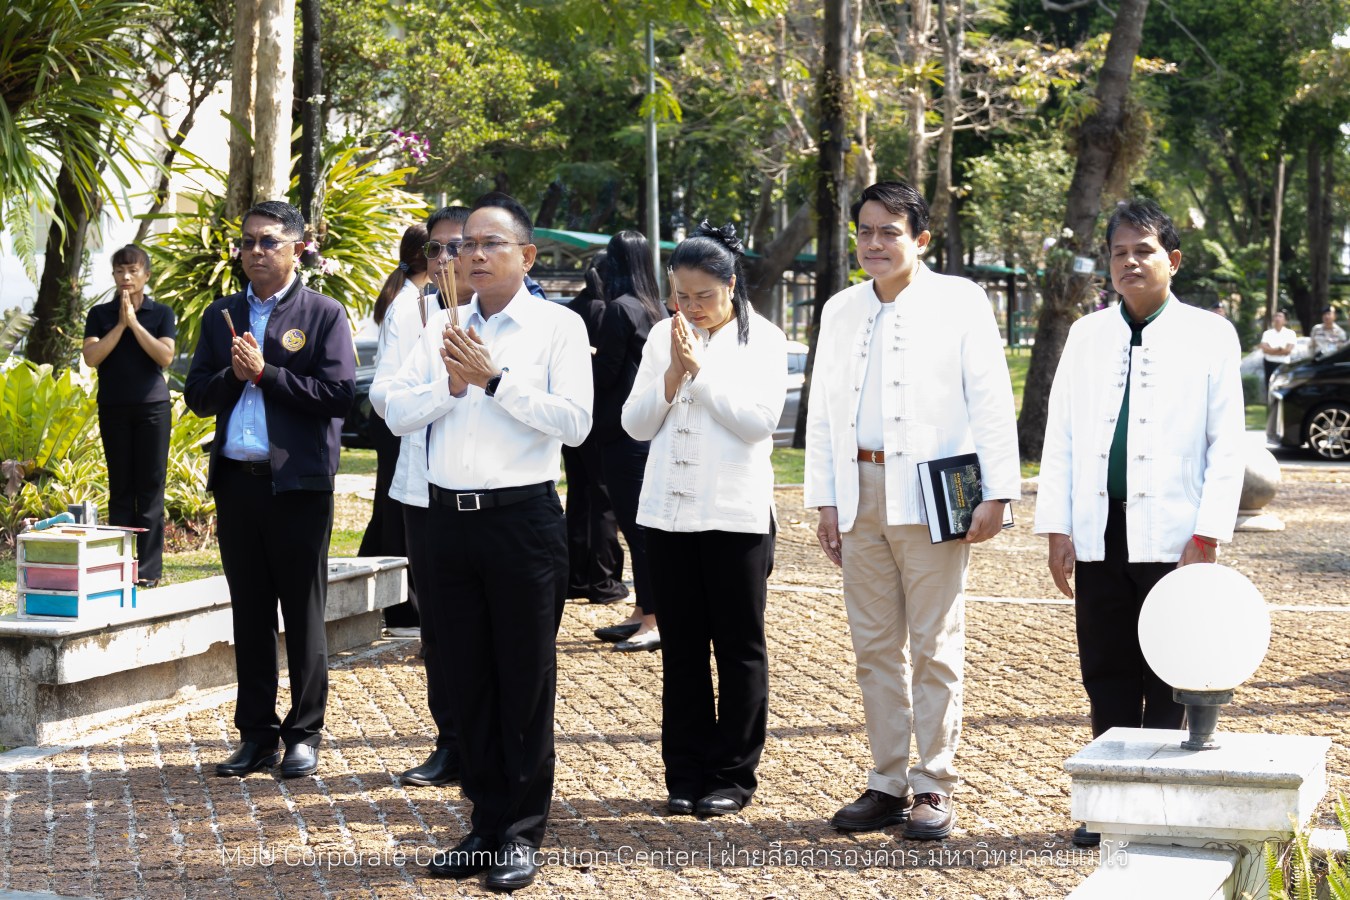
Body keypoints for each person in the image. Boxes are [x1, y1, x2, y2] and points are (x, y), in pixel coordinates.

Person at [384, 192, 591, 891]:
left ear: (526, 256)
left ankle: (521, 833)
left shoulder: (557, 327)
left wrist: (495, 382)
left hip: (521, 522)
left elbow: (576, 422)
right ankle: (483, 822)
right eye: (463, 244)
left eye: (489, 243)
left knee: (523, 679)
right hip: (445, 521)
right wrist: (450, 385)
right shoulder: (441, 325)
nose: (471, 255)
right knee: (464, 676)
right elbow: (393, 408)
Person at [804, 181, 1020, 841]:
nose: (874, 243)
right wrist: (826, 500)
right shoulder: (840, 309)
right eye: (865, 231)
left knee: (934, 644)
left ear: (920, 239)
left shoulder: (960, 300)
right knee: (873, 647)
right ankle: (886, 782)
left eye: (889, 232)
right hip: (859, 490)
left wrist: (998, 492)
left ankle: (934, 784)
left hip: (934, 493)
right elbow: (823, 411)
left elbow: (991, 398)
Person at [1034, 199, 1244, 848]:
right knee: (1106, 668)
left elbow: (1227, 443)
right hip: (1101, 529)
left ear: (1172, 260)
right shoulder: (1087, 335)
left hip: (1177, 534)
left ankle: (1156, 802)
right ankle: (1108, 800)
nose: (1130, 262)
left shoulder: (1210, 335)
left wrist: (1207, 532)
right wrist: (1058, 526)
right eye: (1119, 252)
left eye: (1143, 250)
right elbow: (1062, 436)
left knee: (1167, 670)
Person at [185, 200, 356, 780]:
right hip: (238, 484)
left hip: (298, 488)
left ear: (298, 249)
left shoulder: (323, 313)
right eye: (248, 241)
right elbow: (197, 396)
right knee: (250, 613)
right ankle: (255, 735)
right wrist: (233, 377)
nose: (255, 251)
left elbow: (339, 397)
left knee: (303, 613)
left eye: (269, 241)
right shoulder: (222, 315)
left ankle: (303, 734)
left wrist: (266, 374)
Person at [623, 221, 786, 818]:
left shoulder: (763, 339)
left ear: (732, 285)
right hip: (667, 514)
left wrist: (700, 371)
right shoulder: (661, 336)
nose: (691, 308)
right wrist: (671, 375)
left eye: (704, 296)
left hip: (735, 515)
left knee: (739, 648)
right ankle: (686, 772)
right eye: (681, 295)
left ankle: (732, 776)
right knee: (683, 648)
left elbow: (758, 422)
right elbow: (635, 424)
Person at [367, 209, 471, 788]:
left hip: (497, 497)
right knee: (439, 628)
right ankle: (451, 742)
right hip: (424, 488)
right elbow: (386, 397)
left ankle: (494, 745)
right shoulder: (415, 312)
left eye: (461, 246)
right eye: (438, 249)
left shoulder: (523, 318)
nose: (450, 259)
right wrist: (444, 390)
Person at [82, 244, 177, 589]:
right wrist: (120, 325)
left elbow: (165, 356)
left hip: (153, 409)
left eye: (133, 270)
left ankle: (149, 570)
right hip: (114, 409)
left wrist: (134, 324)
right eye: (120, 271)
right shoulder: (99, 314)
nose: (126, 277)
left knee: (151, 488)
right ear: (113, 275)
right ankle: (118, 567)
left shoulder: (161, 313)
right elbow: (92, 357)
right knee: (120, 487)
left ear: (146, 275)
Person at [593, 231, 668, 652]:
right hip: (648, 430)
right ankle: (643, 611)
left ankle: (653, 619)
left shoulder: (619, 309)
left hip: (622, 432)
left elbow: (606, 373)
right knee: (643, 527)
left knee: (637, 530)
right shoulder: (655, 308)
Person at [359, 223, 429, 637]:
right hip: (395, 414)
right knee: (398, 507)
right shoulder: (409, 304)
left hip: (393, 414)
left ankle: (384, 595)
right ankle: (403, 608)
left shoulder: (410, 298)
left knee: (389, 507)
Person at [562, 252, 628, 607]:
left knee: (579, 497)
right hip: (599, 417)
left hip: (572, 419)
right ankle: (603, 579)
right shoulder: (607, 311)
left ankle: (575, 576)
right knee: (603, 500)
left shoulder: (572, 309)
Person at [1259, 310, 1297, 390]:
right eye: (1276, 316)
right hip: (1269, 363)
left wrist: (1271, 350)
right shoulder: (1267, 333)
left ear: (1285, 321)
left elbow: (1287, 351)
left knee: (1283, 385)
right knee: (1269, 385)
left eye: (1280, 316)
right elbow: (1264, 349)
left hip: (1283, 364)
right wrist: (1279, 349)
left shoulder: (1290, 333)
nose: (1277, 318)